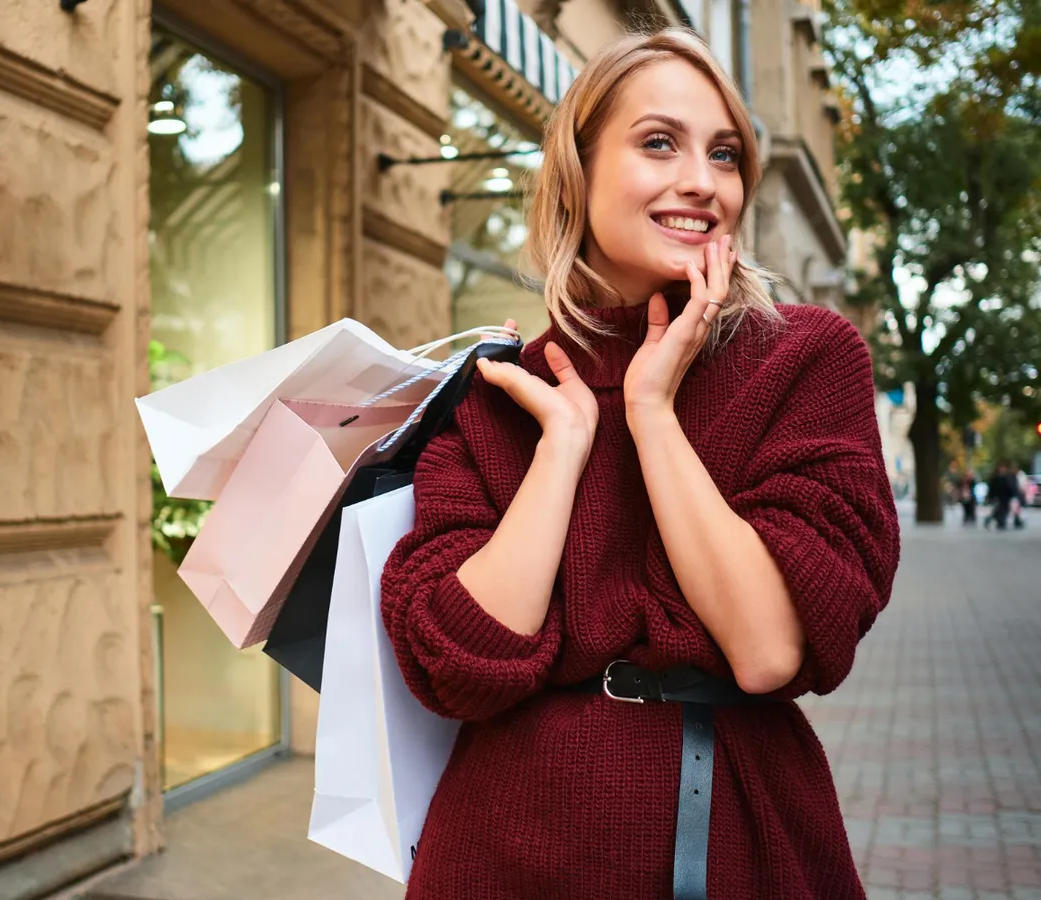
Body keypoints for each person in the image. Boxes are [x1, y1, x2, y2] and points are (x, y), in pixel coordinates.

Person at [379, 28, 900, 900]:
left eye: (724, 154)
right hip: (500, 848)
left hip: (731, 836)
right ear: (578, 174)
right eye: (660, 142)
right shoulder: (500, 392)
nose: (702, 180)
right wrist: (564, 445)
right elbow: (461, 666)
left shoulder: (806, 359)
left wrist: (653, 412)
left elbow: (768, 649)